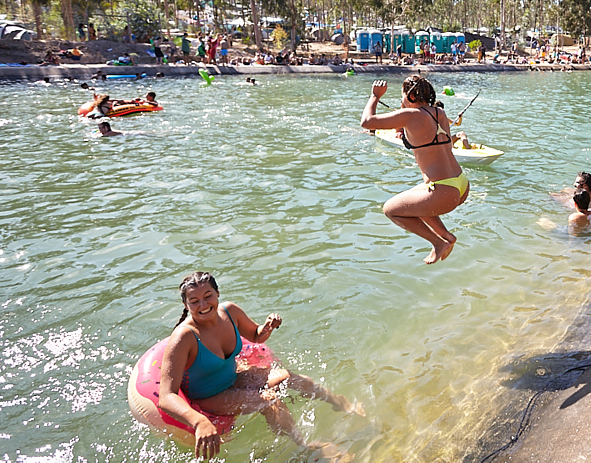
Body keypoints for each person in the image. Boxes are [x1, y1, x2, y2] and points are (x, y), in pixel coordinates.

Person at [158, 272, 363, 461]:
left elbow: (256, 336)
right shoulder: (184, 338)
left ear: (217, 293)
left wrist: (266, 327)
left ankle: (340, 402)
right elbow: (166, 396)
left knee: (288, 376)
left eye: (208, 296)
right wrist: (199, 421)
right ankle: (306, 447)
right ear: (186, 305)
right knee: (268, 400)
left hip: (234, 376)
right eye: (194, 301)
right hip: (207, 395)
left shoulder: (230, 312)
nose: (203, 304)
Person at [360, 77, 470, 264]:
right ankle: (447, 237)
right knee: (409, 203)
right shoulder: (440, 113)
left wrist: (374, 96)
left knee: (391, 210)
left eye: (402, 95)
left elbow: (367, 122)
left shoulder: (411, 115)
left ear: (410, 95)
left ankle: (438, 242)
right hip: (461, 184)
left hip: (445, 191)